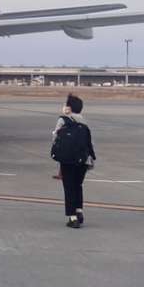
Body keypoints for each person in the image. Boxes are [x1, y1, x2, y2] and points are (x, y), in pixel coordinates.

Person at [51, 94, 96, 228]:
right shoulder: (84, 122)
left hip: (68, 159)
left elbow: (56, 138)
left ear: (69, 108)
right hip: (82, 160)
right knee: (77, 185)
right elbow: (89, 142)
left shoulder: (63, 120)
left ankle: (73, 218)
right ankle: (79, 211)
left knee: (69, 187)